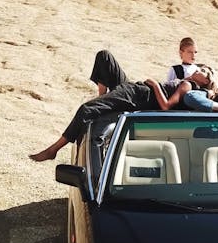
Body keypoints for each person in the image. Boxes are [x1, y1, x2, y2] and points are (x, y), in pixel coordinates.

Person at [29, 50, 193, 162]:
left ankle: (53, 150)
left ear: (206, 81)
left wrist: (155, 84)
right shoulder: (188, 80)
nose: (200, 70)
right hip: (134, 88)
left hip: (137, 96)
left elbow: (166, 106)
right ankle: (103, 99)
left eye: (205, 72)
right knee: (104, 56)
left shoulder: (188, 85)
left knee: (86, 109)